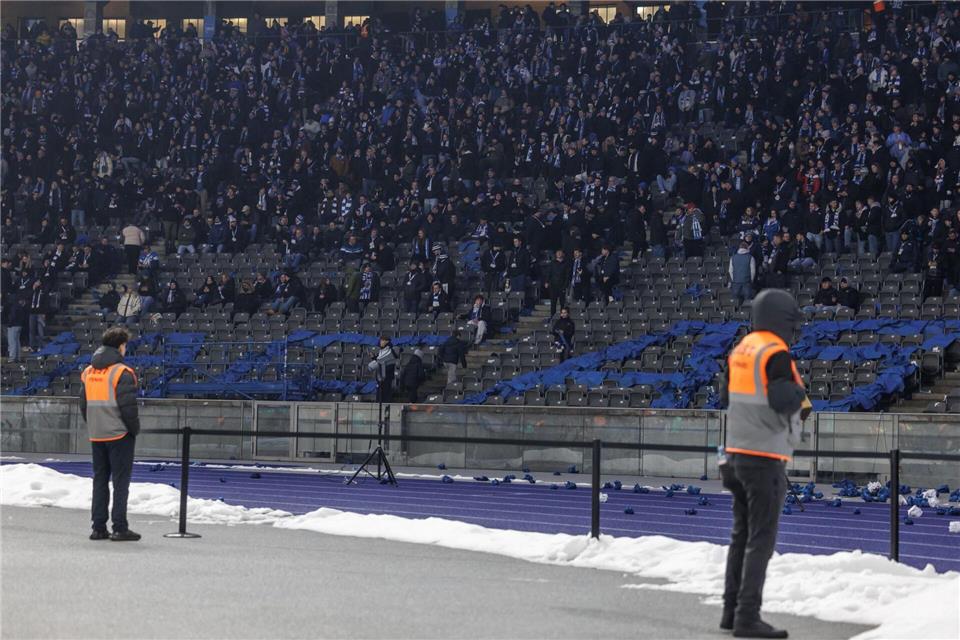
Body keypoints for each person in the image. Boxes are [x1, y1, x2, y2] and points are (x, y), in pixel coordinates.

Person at [719, 289, 810, 638]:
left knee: (741, 535)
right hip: (765, 457)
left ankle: (731, 612)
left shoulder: (741, 349)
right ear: (782, 319)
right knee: (761, 539)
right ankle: (747, 617)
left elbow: (727, 396)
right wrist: (801, 392)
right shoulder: (775, 352)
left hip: (736, 453)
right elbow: (783, 401)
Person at [79, 327, 141, 541]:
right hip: (118, 434)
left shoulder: (88, 371)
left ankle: (98, 527)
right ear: (120, 346)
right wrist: (134, 430)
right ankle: (120, 527)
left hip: (97, 434)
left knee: (99, 480)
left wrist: (94, 424)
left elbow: (83, 404)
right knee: (121, 482)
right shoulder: (122, 372)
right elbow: (128, 408)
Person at [367, 336, 398, 403]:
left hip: (387, 376)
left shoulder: (390, 351)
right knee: (380, 393)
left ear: (387, 341)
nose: (380, 342)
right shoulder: (382, 351)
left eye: (382, 340)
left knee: (385, 394)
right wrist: (373, 357)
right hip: (380, 376)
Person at [6, 295, 28, 362]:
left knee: (12, 342)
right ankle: (17, 358)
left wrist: (9, 324)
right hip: (19, 326)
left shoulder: (14, 306)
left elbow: (13, 316)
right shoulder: (21, 307)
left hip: (13, 326)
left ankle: (12, 358)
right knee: (17, 342)